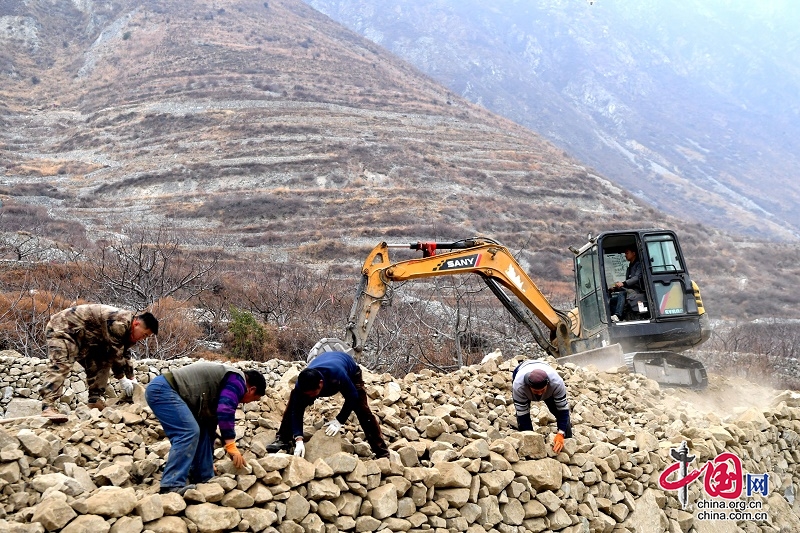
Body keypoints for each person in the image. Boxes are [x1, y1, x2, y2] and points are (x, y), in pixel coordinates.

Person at [145, 362, 266, 495]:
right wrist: (231, 445)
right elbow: (225, 410)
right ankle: (171, 485)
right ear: (252, 389)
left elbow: (208, 429)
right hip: (163, 390)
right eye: (253, 399)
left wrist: (207, 466)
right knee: (188, 431)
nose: (245, 403)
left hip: (169, 391)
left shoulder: (224, 384)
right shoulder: (237, 381)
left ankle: (202, 475)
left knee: (205, 430)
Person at [39, 304, 159, 422]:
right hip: (64, 328)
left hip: (85, 337)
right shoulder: (119, 323)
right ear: (136, 324)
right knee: (62, 363)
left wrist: (131, 378)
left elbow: (123, 353)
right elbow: (116, 353)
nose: (142, 338)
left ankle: (94, 400)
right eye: (144, 335)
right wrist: (122, 379)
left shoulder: (128, 330)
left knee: (102, 360)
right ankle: (47, 406)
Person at [266, 351, 389, 459]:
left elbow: (352, 396)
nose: (310, 397)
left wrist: (339, 420)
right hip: (324, 363)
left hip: (349, 371)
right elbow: (296, 411)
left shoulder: (337, 375)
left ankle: (381, 451)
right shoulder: (302, 384)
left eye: (313, 394)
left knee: (362, 408)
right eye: (307, 394)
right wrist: (299, 439)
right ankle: (283, 439)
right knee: (294, 402)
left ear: (320, 384)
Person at [511, 359, 572, 453]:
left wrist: (561, 433)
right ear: (528, 386)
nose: (539, 394)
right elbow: (523, 414)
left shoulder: (556, 383)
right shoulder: (519, 386)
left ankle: (566, 440)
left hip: (545, 368)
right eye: (536, 391)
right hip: (521, 369)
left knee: (557, 411)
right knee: (522, 417)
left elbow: (563, 410)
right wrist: (530, 439)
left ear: (548, 384)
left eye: (542, 390)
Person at [609, 247, 644, 322]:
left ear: (633, 253)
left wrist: (623, 283)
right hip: (630, 291)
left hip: (637, 290)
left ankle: (618, 315)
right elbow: (627, 283)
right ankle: (619, 318)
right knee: (611, 301)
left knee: (622, 294)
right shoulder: (630, 267)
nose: (625, 255)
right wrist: (615, 288)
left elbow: (637, 278)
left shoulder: (639, 265)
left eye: (627, 253)